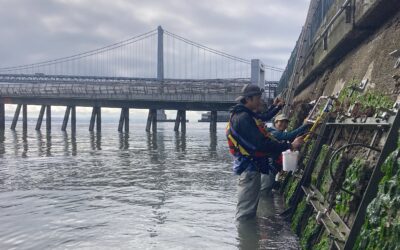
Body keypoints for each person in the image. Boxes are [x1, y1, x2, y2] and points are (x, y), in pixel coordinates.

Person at [226, 84, 304, 221]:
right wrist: (290, 145)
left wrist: (277, 107)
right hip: (249, 169)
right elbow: (261, 145)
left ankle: (249, 240)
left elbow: (263, 116)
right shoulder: (243, 118)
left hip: (250, 168)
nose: (260, 101)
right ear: (248, 99)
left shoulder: (244, 114)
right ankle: (244, 240)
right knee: (245, 214)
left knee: (248, 211)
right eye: (258, 98)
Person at [260, 114, 311, 192]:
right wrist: (305, 125)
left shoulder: (277, 133)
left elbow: (291, 138)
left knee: (265, 192)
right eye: (281, 121)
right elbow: (289, 136)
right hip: (268, 169)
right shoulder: (274, 132)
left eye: (286, 122)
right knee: (263, 194)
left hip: (271, 169)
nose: (283, 124)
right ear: (275, 122)